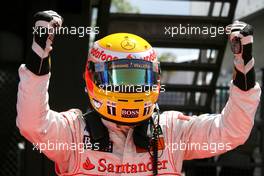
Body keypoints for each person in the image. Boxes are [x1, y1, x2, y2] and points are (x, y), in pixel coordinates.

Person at [16, 10, 261, 176]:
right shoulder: (73, 133)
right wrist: (38, 57)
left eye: (140, 78)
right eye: (119, 78)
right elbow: (32, 124)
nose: (131, 88)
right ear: (93, 78)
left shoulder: (172, 130)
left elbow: (232, 132)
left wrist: (244, 67)